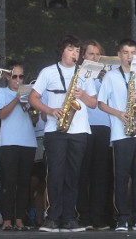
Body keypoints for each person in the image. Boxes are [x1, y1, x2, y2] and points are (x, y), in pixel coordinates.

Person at [29, 35, 97, 232]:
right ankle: (52, 217)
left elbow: (93, 103)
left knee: (73, 175)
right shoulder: (48, 72)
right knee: (55, 174)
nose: (75, 53)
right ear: (62, 51)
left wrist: (81, 95)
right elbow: (33, 97)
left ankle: (69, 217)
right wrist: (50, 111)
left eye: (77, 50)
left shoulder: (84, 74)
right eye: (71, 49)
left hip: (79, 130)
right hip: (55, 129)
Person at [98, 39, 136, 232]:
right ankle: (122, 218)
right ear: (119, 54)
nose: (129, 56)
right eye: (125, 52)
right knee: (121, 177)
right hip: (121, 133)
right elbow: (101, 104)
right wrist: (118, 113)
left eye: (132, 53)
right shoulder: (111, 77)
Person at [0, 61, 38, 231]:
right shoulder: (1, 92)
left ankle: (19, 219)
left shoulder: (29, 94)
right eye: (14, 76)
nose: (18, 80)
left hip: (28, 142)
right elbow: (1, 115)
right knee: (8, 182)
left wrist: (30, 104)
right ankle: (7, 219)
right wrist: (17, 98)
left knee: (24, 182)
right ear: (7, 77)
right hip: (8, 142)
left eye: (21, 76)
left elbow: (34, 120)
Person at [76, 39, 112, 231]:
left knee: (100, 174)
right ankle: (84, 215)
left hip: (103, 126)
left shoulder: (107, 76)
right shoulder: (78, 74)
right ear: (83, 56)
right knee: (83, 173)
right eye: (91, 54)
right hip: (83, 126)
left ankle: (98, 216)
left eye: (98, 54)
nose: (95, 57)